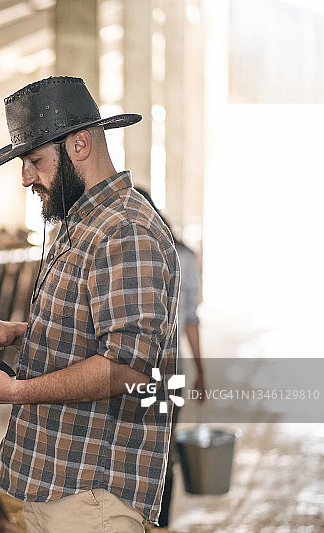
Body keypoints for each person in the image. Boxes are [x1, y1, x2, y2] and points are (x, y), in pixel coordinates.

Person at [0, 76, 180, 532]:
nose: (26, 178)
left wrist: (15, 392)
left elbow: (127, 366)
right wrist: (22, 331)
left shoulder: (123, 230)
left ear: (80, 145)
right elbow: (100, 326)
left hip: (93, 493)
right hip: (60, 479)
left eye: (34, 161)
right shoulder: (82, 220)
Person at [134, 187, 206, 527]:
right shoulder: (183, 256)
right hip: (164, 373)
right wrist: (201, 371)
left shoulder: (146, 255)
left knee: (140, 447)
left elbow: (190, 317)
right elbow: (191, 318)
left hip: (140, 371)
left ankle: (147, 520)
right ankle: (155, 522)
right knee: (160, 449)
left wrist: (203, 372)